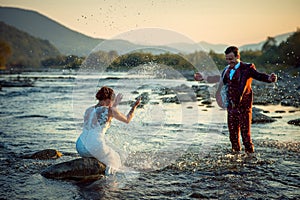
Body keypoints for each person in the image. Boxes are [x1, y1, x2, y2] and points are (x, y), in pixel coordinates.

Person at [195, 46, 277, 153]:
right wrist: (204, 77)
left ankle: (251, 160)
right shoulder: (226, 70)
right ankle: (236, 159)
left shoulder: (247, 68)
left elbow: (258, 75)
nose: (229, 62)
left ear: (238, 56)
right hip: (231, 108)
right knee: (233, 137)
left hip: (244, 108)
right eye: (227, 59)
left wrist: (269, 78)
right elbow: (218, 79)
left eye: (231, 59)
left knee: (246, 137)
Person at [76, 86, 141, 175]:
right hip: (94, 146)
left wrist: (114, 105)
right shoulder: (110, 110)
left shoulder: (88, 110)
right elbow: (127, 119)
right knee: (117, 158)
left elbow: (103, 114)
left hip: (80, 145)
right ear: (109, 99)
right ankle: (110, 184)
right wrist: (134, 107)